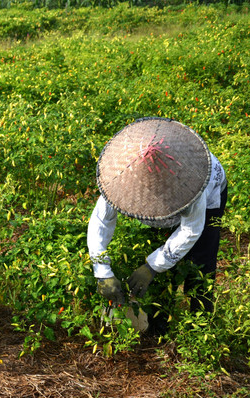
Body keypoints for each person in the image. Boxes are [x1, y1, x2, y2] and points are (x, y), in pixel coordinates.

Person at [87, 117, 227, 335]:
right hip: (155, 181)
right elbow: (101, 221)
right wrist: (102, 271)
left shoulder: (193, 181)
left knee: (200, 261)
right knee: (160, 251)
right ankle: (159, 324)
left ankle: (200, 328)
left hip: (209, 194)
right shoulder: (120, 176)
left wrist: (152, 267)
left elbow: (191, 230)